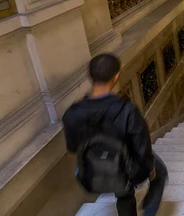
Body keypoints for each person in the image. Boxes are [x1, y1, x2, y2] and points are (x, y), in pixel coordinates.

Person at [63, 54, 167, 216]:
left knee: (120, 166)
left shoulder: (72, 114)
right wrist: (151, 170)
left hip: (90, 177)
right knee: (159, 171)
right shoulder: (127, 112)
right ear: (116, 77)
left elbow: (73, 147)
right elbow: (142, 149)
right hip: (125, 174)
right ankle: (148, 211)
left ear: (89, 76)